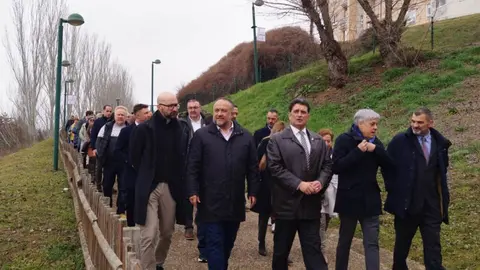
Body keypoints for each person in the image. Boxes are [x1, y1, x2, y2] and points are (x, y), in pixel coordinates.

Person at [186, 97, 260, 270]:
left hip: (234, 201)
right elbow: (192, 166)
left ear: (232, 114)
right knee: (214, 243)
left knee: (228, 242)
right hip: (209, 200)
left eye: (223, 111)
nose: (219, 114)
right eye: (216, 110)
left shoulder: (246, 137)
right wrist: (192, 190)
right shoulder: (202, 136)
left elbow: (253, 168)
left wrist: (253, 191)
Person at [267, 98, 332, 270]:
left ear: (308, 116)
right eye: (296, 111)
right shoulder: (277, 140)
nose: (299, 115)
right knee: (281, 253)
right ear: (289, 115)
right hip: (286, 207)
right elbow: (275, 167)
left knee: (314, 253)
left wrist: (320, 182)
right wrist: (299, 184)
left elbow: (327, 165)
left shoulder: (318, 140)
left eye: (303, 112)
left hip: (311, 206)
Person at [384, 108, 451, 270]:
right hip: (407, 204)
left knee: (433, 245)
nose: (415, 125)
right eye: (413, 121)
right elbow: (387, 166)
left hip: (432, 205)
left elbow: (443, 169)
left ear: (430, 123)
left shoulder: (440, 142)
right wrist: (394, 190)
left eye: (420, 122)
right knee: (402, 245)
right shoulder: (400, 141)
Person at [130, 92, 190, 270]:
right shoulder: (144, 129)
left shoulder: (181, 128)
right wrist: (147, 173)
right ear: (160, 107)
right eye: (170, 105)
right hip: (149, 187)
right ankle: (148, 267)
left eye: (176, 105)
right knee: (149, 233)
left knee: (167, 232)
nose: (174, 108)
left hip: (171, 187)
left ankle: (158, 262)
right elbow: (134, 158)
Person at [333, 109, 392, 270]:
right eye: (372, 124)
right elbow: (337, 167)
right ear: (360, 124)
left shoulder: (376, 143)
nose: (375, 128)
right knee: (345, 241)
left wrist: (376, 150)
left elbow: (389, 164)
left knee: (372, 243)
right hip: (349, 200)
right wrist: (358, 151)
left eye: (376, 124)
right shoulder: (344, 140)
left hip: (370, 200)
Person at [251, 121, 285, 257]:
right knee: (264, 217)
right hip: (266, 184)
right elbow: (256, 164)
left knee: (282, 219)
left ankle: (281, 248)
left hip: (281, 185)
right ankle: (261, 242)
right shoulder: (265, 142)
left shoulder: (287, 144)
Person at [115, 103, 150, 227]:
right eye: (145, 113)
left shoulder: (151, 130)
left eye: (148, 112)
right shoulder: (126, 131)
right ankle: (131, 224)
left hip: (147, 171)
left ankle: (144, 223)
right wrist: (128, 161)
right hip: (131, 171)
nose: (149, 115)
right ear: (137, 115)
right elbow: (118, 149)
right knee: (131, 197)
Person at [182, 99, 212, 242]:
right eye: (190, 108)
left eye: (195, 107)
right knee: (189, 193)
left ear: (200, 108)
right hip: (187, 163)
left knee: (204, 193)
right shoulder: (182, 124)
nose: (193, 110)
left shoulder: (208, 123)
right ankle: (188, 225)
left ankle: (202, 223)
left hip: (206, 163)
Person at [96, 106, 129, 214]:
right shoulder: (107, 127)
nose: (120, 117)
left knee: (123, 187)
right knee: (107, 185)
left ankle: (121, 211)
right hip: (109, 162)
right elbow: (99, 142)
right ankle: (108, 208)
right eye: (118, 115)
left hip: (124, 164)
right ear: (115, 116)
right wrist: (100, 156)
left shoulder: (129, 128)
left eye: (122, 115)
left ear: (126, 117)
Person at [318, 128, 338, 264]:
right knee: (320, 223)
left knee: (326, 222)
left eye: (328, 141)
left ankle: (315, 243)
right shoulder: (315, 155)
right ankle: (321, 251)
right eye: (324, 141)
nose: (326, 143)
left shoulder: (335, 155)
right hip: (318, 195)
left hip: (333, 194)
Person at [90, 105, 113, 191]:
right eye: (107, 111)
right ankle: (98, 185)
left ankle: (108, 185)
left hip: (110, 149)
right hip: (99, 148)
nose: (109, 113)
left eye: (110, 111)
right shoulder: (98, 122)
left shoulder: (113, 122)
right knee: (99, 168)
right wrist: (94, 148)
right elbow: (93, 135)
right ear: (103, 111)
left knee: (109, 169)